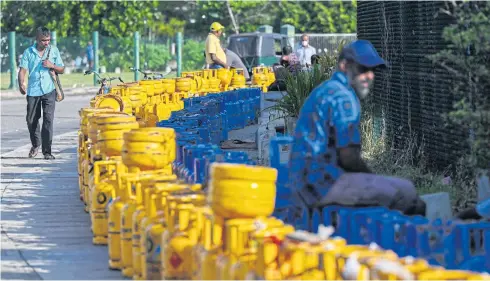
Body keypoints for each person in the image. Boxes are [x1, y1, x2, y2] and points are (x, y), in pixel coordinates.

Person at [288, 40, 426, 216]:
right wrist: (373, 179)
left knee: (401, 187)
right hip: (320, 185)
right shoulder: (344, 97)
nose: (369, 76)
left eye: (372, 70)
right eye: (363, 69)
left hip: (304, 180)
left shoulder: (327, 88)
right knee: (407, 195)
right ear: (344, 65)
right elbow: (349, 158)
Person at [18, 26, 65, 160]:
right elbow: (22, 70)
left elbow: (61, 69)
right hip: (33, 91)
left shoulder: (53, 50)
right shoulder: (28, 52)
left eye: (48, 40)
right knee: (31, 120)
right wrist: (21, 83)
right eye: (44, 40)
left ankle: (47, 151)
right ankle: (36, 144)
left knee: (48, 121)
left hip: (49, 89)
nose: (46, 43)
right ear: (37, 39)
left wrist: (52, 66)